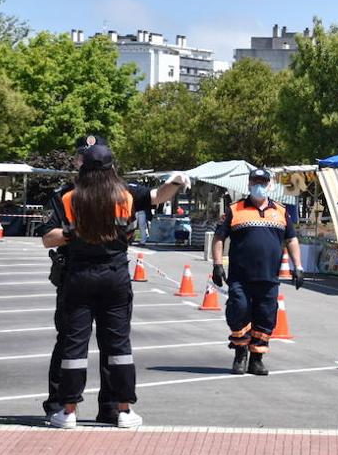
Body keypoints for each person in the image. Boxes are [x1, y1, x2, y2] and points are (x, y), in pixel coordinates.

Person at [40, 134, 188, 423]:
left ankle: (66, 410)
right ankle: (123, 410)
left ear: (83, 165)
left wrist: (75, 233)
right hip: (115, 275)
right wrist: (177, 182)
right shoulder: (126, 194)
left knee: (73, 345)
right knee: (118, 345)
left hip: (79, 274)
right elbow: (157, 196)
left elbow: (48, 238)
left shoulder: (68, 196)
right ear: (111, 167)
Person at [211, 167, 303, 376]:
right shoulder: (234, 210)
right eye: (255, 182)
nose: (259, 186)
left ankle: (257, 359)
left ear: (269, 185)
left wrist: (298, 267)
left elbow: (292, 239)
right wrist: (217, 264)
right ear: (249, 184)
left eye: (263, 182)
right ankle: (240, 353)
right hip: (240, 278)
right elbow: (219, 238)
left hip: (269, 278)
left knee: (266, 317)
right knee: (239, 310)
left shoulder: (280, 211)